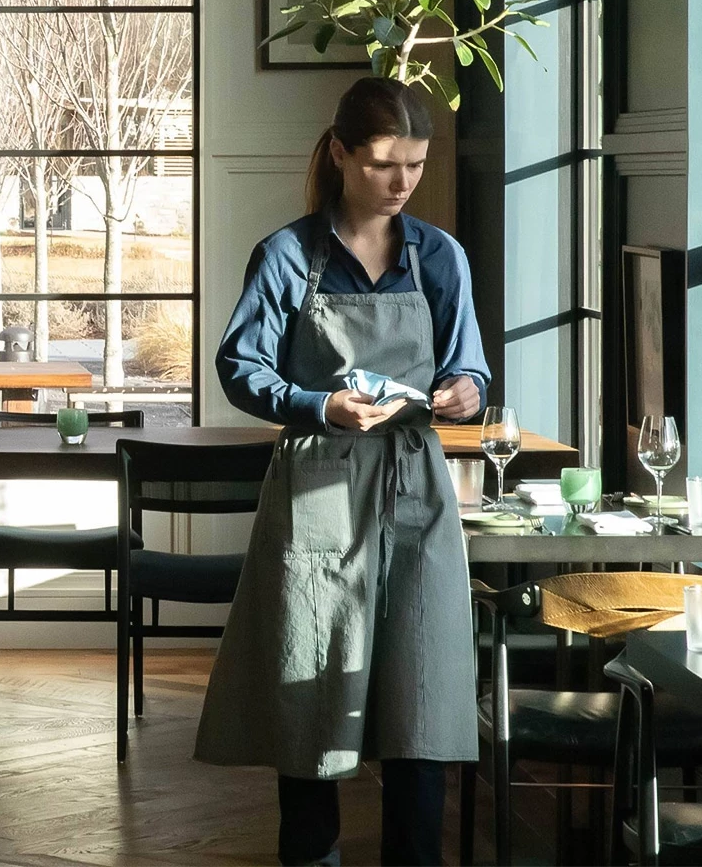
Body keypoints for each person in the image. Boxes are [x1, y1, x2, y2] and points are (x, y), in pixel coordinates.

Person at [195, 76, 490, 866]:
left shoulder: (440, 258)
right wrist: (315, 404)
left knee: (420, 694)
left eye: (416, 167)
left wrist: (467, 392)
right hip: (319, 492)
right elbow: (238, 367)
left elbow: (472, 370)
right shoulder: (290, 255)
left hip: (415, 491)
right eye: (384, 165)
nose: (401, 184)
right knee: (313, 696)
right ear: (340, 155)